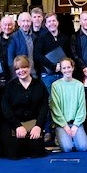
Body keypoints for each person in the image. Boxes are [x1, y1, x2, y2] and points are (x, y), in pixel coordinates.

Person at [1, 55, 49, 159]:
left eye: (24, 67)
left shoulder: (39, 85)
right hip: (15, 124)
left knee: (36, 152)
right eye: (17, 69)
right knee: (14, 154)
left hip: (33, 124)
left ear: (29, 67)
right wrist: (17, 126)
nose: (21, 71)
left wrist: (38, 126)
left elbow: (44, 107)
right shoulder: (10, 86)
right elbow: (6, 109)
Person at [33, 12, 71, 142]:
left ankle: (62, 130)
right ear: (46, 24)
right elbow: (37, 56)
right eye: (49, 22)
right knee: (48, 103)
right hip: (47, 75)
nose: (51, 23)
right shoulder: (41, 38)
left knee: (62, 104)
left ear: (58, 22)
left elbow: (69, 55)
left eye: (54, 21)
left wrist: (63, 66)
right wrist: (53, 66)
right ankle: (48, 131)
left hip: (62, 75)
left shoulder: (65, 38)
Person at [50, 58, 87, 152]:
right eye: (64, 68)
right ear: (61, 70)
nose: (67, 70)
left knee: (83, 147)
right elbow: (55, 109)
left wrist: (75, 125)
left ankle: (72, 138)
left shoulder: (79, 85)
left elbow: (82, 107)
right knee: (67, 148)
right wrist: (65, 126)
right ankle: (61, 136)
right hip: (62, 124)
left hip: (76, 123)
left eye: (68, 67)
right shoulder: (55, 85)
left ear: (73, 68)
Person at [6, 12, 36, 77]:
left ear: (31, 22)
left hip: (33, 73)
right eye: (23, 21)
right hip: (20, 75)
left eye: (28, 21)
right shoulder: (13, 37)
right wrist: (15, 76)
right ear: (19, 23)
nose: (26, 24)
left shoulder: (34, 37)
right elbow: (10, 60)